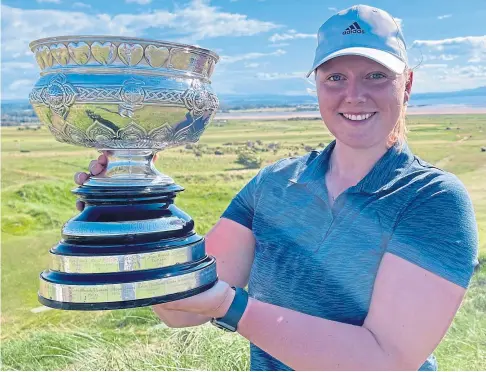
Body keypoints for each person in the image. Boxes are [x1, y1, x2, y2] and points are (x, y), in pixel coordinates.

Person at [75, 5, 479, 371]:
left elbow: (383, 360)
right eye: (335, 77)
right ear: (317, 86)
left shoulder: (432, 200)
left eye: (376, 75)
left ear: (406, 85)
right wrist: (133, 210)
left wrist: (231, 307)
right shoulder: (274, 185)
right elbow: (181, 310)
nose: (354, 95)